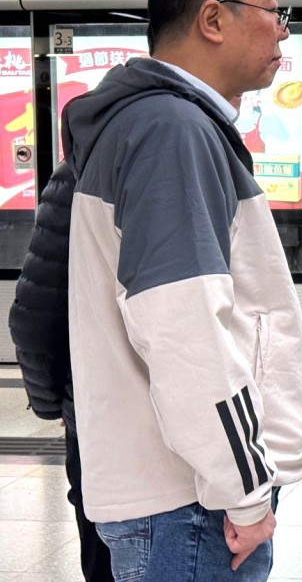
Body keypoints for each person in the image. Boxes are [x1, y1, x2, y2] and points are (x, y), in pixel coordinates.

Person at [62, 0, 302, 582]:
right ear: (214, 19)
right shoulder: (172, 133)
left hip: (181, 498)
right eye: (273, 11)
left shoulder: (154, 124)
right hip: (192, 507)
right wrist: (246, 490)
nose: (283, 33)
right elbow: (186, 331)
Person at [8, 161, 114, 582]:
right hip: (189, 426)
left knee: (102, 548)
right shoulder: (212, 155)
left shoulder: (79, 170)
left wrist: (59, 406)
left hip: (94, 414)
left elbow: (34, 318)